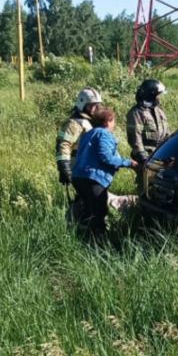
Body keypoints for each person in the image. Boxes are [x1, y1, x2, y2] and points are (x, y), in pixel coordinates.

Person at [72, 107, 137, 241]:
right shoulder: (104, 134)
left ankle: (84, 239)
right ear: (108, 121)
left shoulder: (87, 134)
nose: (114, 124)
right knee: (99, 212)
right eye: (113, 121)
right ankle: (99, 243)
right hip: (94, 179)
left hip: (78, 177)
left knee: (88, 210)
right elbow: (106, 157)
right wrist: (128, 163)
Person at [126, 79, 170, 189]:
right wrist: (143, 159)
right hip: (147, 156)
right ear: (151, 95)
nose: (159, 98)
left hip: (161, 154)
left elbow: (167, 134)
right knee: (145, 185)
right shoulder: (136, 113)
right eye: (158, 95)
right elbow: (135, 138)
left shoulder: (159, 112)